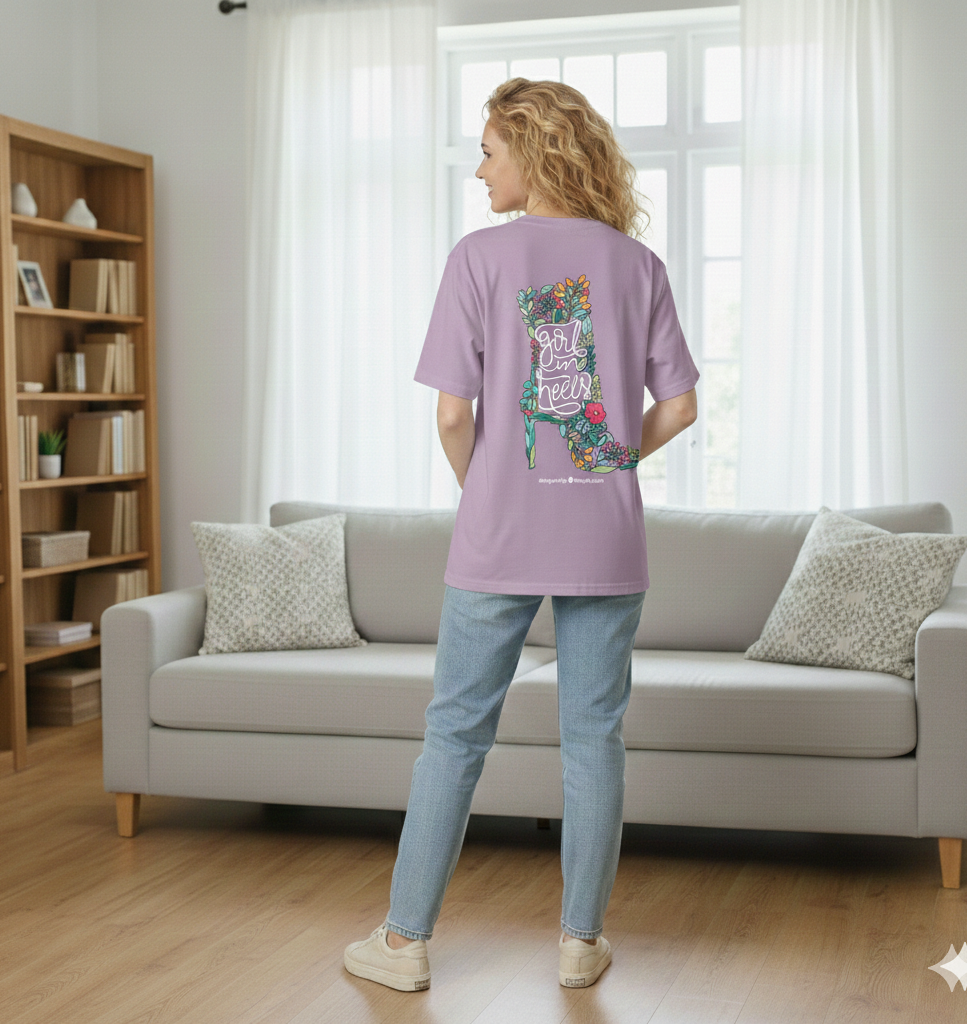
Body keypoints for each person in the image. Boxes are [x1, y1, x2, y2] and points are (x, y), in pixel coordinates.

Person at [344, 77, 699, 993]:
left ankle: (403, 943)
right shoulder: (638, 265)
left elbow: (453, 417)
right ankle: (582, 943)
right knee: (594, 741)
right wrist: (611, 460)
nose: (479, 169)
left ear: (534, 152)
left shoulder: (480, 259)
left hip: (499, 534)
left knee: (456, 735)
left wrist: (487, 491)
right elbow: (682, 406)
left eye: (489, 151)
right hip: (607, 541)